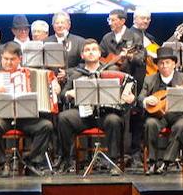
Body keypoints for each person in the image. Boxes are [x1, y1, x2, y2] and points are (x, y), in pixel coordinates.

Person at [0, 42, 55, 176]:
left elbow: (49, 87)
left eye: (12, 59)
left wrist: (53, 86)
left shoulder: (30, 73)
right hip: (2, 116)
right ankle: (1, 164)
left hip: (25, 117)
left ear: (20, 59)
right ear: (1, 58)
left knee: (46, 126)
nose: (8, 63)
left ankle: (31, 161)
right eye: (5, 59)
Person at [56, 39, 131, 173]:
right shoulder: (77, 74)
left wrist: (129, 97)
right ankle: (67, 159)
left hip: (106, 114)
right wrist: (69, 93)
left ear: (99, 53)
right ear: (82, 55)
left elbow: (127, 92)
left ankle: (113, 162)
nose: (91, 52)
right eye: (87, 50)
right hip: (84, 115)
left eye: (94, 50)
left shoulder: (111, 70)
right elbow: (62, 95)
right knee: (63, 118)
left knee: (114, 120)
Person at [140, 46, 183, 174]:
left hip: (177, 115)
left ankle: (167, 162)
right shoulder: (149, 79)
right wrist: (146, 100)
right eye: (161, 63)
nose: (164, 65)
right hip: (158, 116)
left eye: (167, 62)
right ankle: (152, 162)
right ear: (157, 65)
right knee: (150, 124)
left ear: (174, 64)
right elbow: (141, 96)